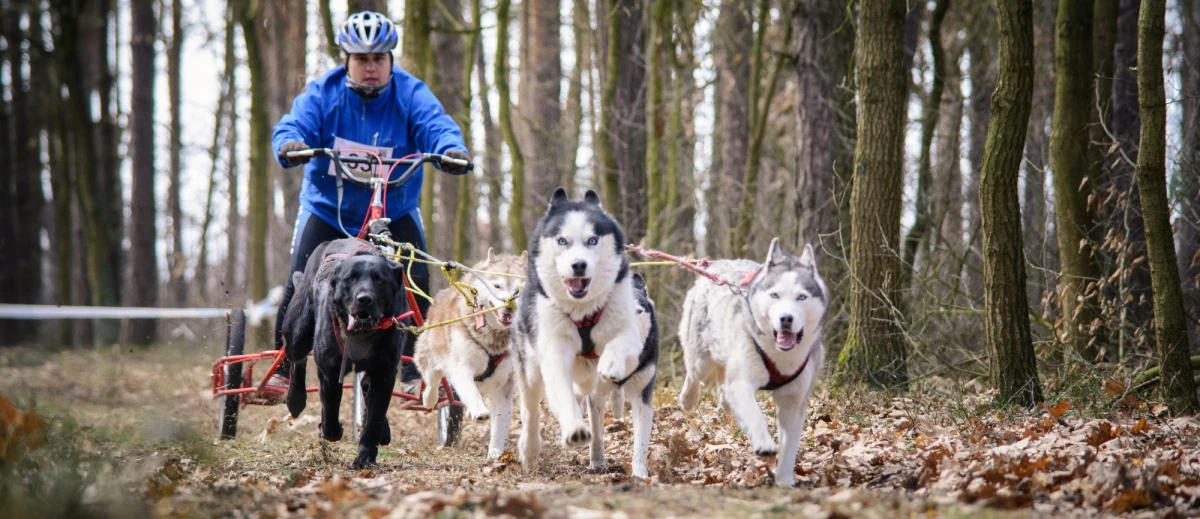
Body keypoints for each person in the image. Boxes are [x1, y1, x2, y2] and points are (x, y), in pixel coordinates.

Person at [270, 11, 471, 390]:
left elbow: (436, 125)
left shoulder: (410, 94)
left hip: (393, 211)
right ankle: (284, 366)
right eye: (362, 59)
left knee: (416, 281)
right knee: (301, 280)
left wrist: (450, 149)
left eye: (379, 58)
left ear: (391, 59)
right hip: (329, 211)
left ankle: (413, 369)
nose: (371, 67)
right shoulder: (324, 93)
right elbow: (293, 123)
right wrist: (290, 143)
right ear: (346, 60)